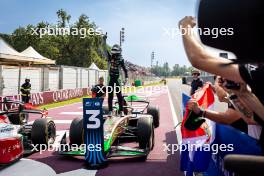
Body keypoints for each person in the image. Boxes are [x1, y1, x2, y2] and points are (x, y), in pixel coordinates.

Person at [107, 44, 128, 117]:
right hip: (110, 78)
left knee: (119, 95)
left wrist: (126, 78)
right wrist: (104, 41)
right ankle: (110, 111)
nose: (114, 53)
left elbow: (125, 69)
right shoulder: (110, 57)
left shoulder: (121, 59)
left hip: (117, 79)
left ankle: (121, 111)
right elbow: (104, 51)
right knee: (110, 95)